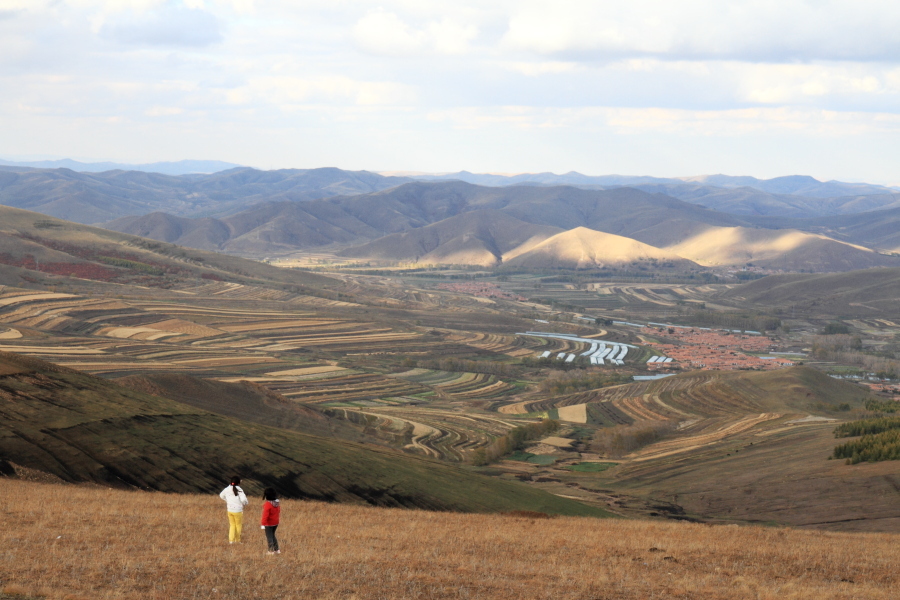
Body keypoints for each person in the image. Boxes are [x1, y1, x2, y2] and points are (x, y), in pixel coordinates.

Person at [219, 476, 249, 544]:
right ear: (238, 483)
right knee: (238, 525)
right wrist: (245, 503)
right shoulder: (239, 489)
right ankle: (237, 540)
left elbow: (221, 495)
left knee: (232, 525)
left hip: (230, 509)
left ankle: (231, 540)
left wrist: (227, 500)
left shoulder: (227, 489)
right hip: (238, 510)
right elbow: (244, 499)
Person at [260, 487, 281, 555]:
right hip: (275, 522)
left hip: (268, 524)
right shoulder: (277, 503)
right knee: (273, 535)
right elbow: (278, 511)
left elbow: (265, 515)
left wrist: (263, 524)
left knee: (269, 537)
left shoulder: (267, 504)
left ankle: (271, 551)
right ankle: (277, 549)